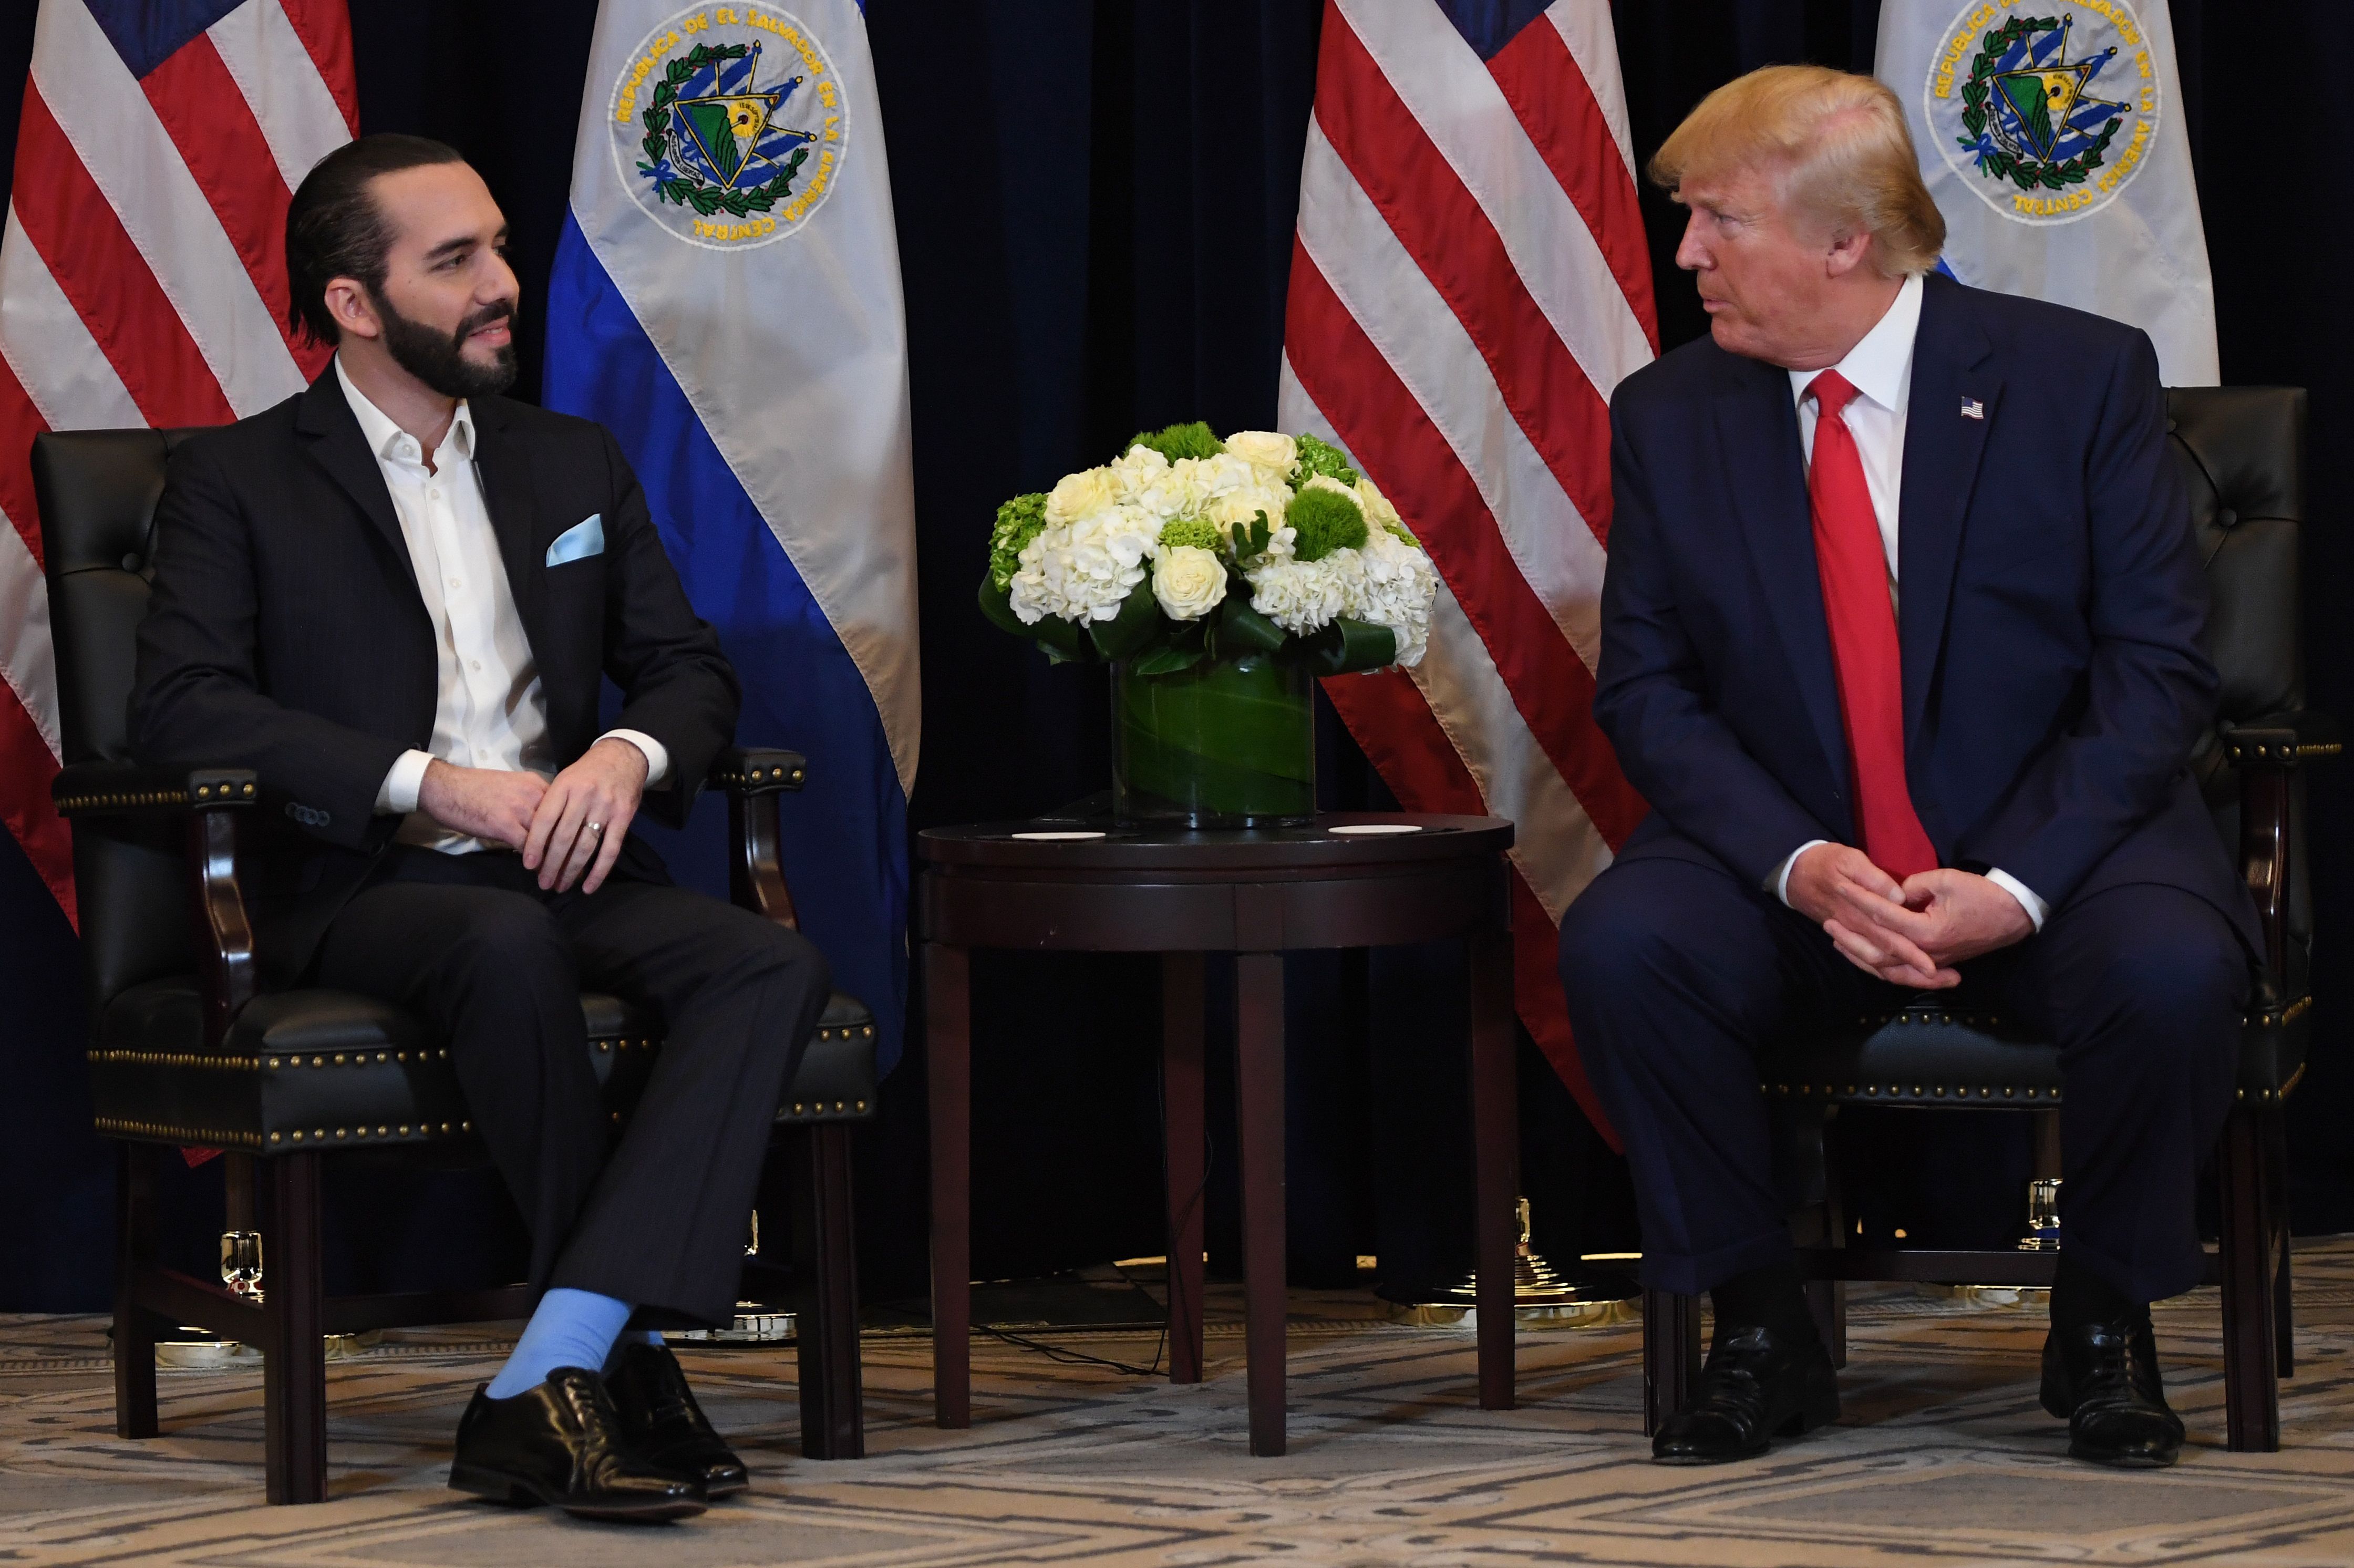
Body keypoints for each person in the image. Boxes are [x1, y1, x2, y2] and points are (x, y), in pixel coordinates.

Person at [1557, 67, 2255, 1470]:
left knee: (2173, 972)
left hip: (2054, 849)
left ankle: (2105, 1322)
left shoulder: (2077, 377)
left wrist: (2018, 883)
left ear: (1844, 241)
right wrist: (1803, 867)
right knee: (1626, 947)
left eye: (1716, 221)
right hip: (1798, 864)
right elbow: (1648, 689)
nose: (1686, 254)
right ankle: (1760, 1326)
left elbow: (2157, 672)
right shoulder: (1670, 412)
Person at [132, 135, 833, 1522]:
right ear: (351, 299)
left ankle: (550, 1367)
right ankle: (615, 1360)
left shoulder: (569, 461)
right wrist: (426, 782)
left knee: (770, 965)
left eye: (499, 248)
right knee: (501, 942)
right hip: (360, 879)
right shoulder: (238, 479)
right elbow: (185, 714)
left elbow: (689, 670)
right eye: (455, 262)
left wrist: (627, 760)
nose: (501, 283)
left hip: (564, 859)